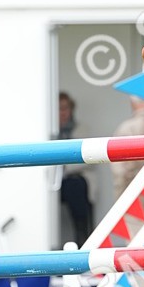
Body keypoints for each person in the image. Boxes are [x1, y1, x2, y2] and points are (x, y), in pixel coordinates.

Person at [57, 92, 94, 246]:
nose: (62, 112)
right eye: (58, 109)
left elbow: (85, 159)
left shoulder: (82, 129)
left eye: (65, 108)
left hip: (73, 180)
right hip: (53, 183)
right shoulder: (46, 131)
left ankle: (83, 238)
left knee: (76, 186)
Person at [110, 98, 144, 199]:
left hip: (137, 199)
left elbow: (121, 171)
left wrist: (120, 198)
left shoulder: (127, 129)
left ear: (132, 104)